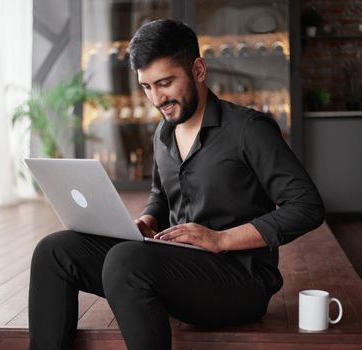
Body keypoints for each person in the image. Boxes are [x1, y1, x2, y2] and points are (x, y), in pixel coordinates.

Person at [28, 19, 325, 350]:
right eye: (146, 87)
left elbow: (307, 206)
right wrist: (148, 219)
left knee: (125, 261)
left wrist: (220, 239)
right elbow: (161, 194)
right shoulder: (163, 134)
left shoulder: (248, 130)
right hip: (178, 269)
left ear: (198, 70)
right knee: (54, 250)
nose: (157, 98)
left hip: (240, 282)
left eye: (165, 83)